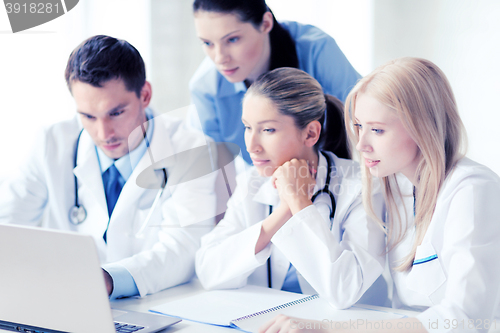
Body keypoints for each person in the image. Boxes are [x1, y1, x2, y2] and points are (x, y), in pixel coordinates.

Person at [259, 58, 500, 333]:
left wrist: (329, 330)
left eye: (377, 130)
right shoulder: (393, 185)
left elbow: (465, 319)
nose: (361, 144)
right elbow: (342, 286)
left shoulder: (472, 190)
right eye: (359, 126)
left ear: (422, 127)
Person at [0, 35, 218, 299]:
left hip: (155, 303)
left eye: (116, 113)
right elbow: (7, 229)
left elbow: (185, 247)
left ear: (145, 95)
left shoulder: (191, 149)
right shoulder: (52, 144)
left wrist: (108, 280)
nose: (104, 133)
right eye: (88, 116)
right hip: (65, 302)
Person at [195, 67, 387, 309]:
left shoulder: (362, 187)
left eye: (267, 130)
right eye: (247, 127)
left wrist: (300, 202)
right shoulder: (250, 183)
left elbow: (344, 290)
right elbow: (208, 270)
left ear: (310, 133)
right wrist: (285, 208)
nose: (252, 145)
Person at [188, 0, 360, 165]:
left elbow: (369, 118)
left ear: (265, 23)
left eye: (232, 40)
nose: (219, 58)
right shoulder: (205, 89)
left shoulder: (317, 49)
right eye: (207, 43)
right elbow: (219, 172)